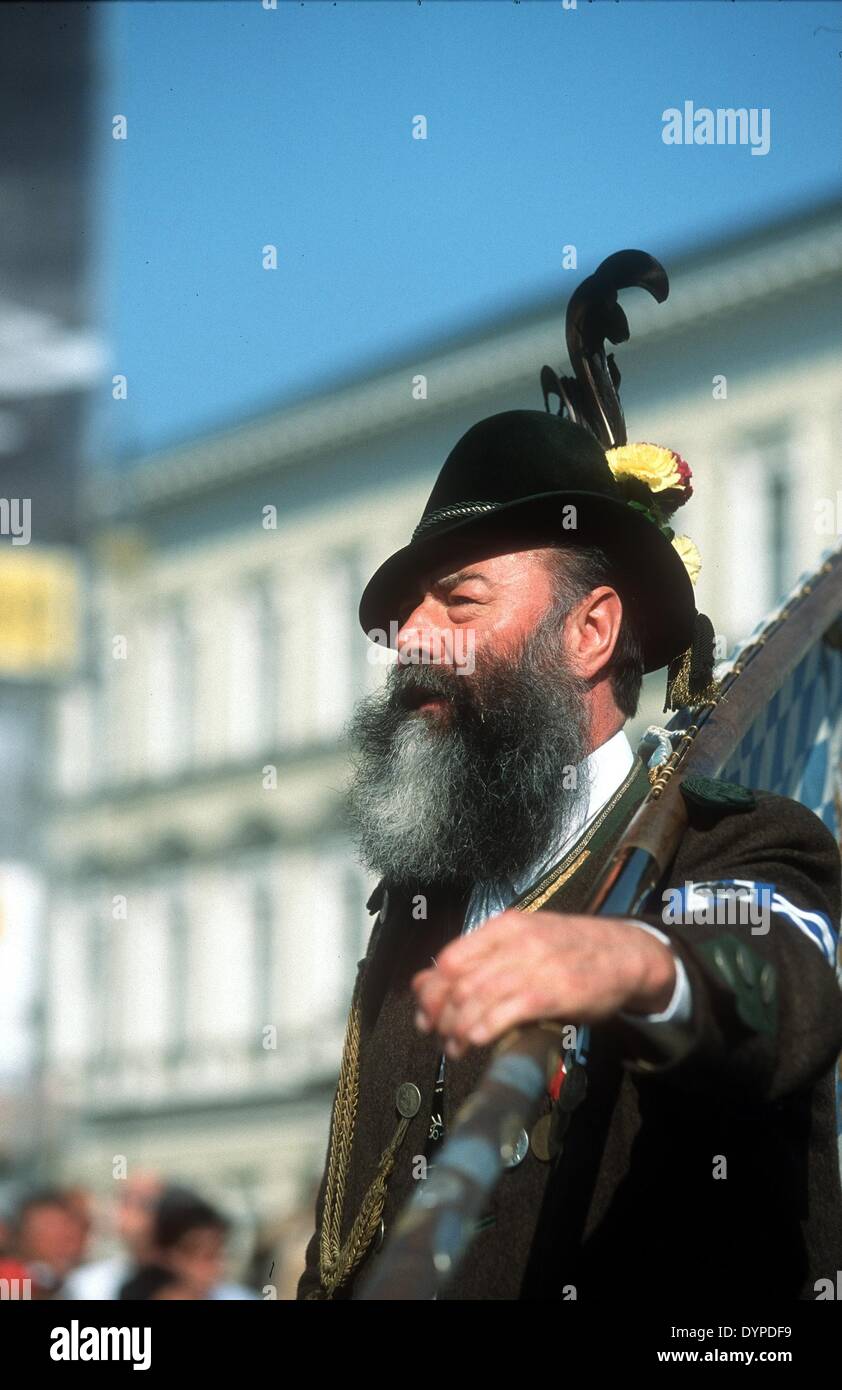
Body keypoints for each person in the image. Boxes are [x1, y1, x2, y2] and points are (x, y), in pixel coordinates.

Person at [295, 258, 842, 1300]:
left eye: (455, 601)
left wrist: (634, 963)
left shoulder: (730, 842)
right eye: (405, 613)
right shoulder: (417, 907)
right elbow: (345, 1235)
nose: (408, 637)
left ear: (590, 631)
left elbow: (787, 979)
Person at [62, 1170, 163, 1300]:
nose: (134, 1212)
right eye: (127, 1201)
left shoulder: (190, 1282)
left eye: (146, 1203)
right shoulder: (86, 1284)